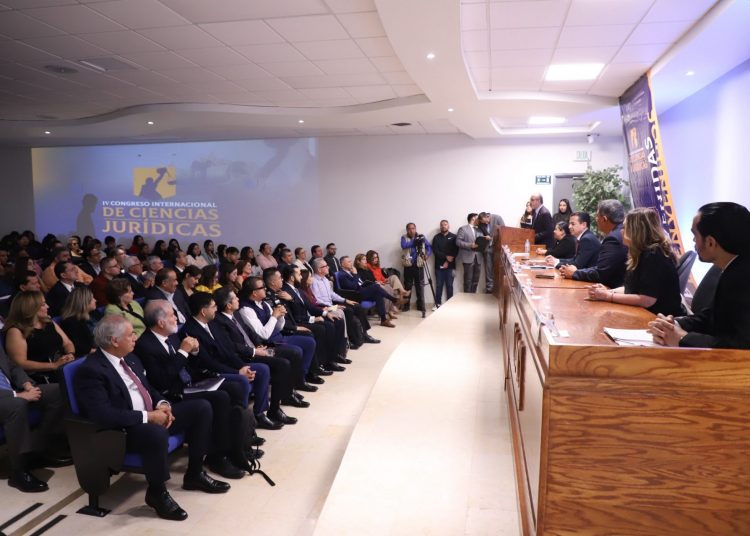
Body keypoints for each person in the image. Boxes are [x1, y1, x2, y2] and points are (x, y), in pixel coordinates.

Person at [75, 315, 229, 521]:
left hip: (149, 414)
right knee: (155, 433)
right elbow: (103, 414)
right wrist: (148, 417)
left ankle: (195, 473)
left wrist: (163, 404)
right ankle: (157, 492)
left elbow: (148, 388)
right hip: (123, 429)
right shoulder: (91, 370)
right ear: (114, 341)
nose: (135, 337)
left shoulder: (130, 357)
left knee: (202, 407)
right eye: (130, 335)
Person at [134, 300, 258, 480]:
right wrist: (183, 352)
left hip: (191, 382)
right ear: (160, 322)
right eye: (172, 315)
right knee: (220, 398)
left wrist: (194, 351)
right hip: (172, 393)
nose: (176, 319)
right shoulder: (145, 345)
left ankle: (239, 442)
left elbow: (192, 363)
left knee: (234, 388)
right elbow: (163, 380)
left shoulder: (172, 336)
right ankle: (217, 456)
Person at [648, 202, 750, 349]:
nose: (694, 241)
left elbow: (741, 344)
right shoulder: (733, 268)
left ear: (710, 242)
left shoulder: (743, 278)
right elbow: (712, 316)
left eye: (695, 235)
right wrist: (674, 324)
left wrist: (682, 338)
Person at [181, 292, 284, 430]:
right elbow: (207, 362)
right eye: (213, 307)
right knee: (241, 380)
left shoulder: (212, 323)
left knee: (263, 369)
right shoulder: (190, 330)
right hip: (209, 373)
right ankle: (245, 427)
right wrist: (237, 372)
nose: (216, 309)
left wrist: (242, 366)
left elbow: (228, 350)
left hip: (226, 365)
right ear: (203, 311)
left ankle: (259, 414)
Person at [588, 208, 683, 316]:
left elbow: (647, 300)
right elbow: (632, 289)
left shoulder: (654, 254)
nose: (621, 231)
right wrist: (608, 291)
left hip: (659, 318)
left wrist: (608, 296)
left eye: (624, 227)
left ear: (636, 231)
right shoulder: (642, 252)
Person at [0, 342, 68, 493]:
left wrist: (26, 383)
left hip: (11, 393)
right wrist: (17, 395)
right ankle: (19, 471)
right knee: (16, 405)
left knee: (57, 392)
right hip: (6, 398)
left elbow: (12, 366)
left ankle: (40, 451)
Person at [237, 274, 320, 388]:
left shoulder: (264, 304)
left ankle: (302, 376)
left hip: (279, 337)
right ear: (254, 293)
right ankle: (296, 383)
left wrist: (281, 316)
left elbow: (279, 327)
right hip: (268, 345)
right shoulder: (246, 309)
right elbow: (264, 334)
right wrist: (274, 316)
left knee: (309, 342)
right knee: (295, 351)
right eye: (262, 287)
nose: (265, 289)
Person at [4, 291, 76, 384]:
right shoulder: (15, 331)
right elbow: (20, 363)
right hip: (40, 378)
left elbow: (67, 343)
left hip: (62, 368)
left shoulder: (48, 322)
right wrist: (53, 365)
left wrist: (70, 354)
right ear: (31, 308)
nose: (47, 306)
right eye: (43, 304)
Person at [559, 200, 628, 288]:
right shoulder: (621, 232)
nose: (596, 219)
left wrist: (574, 273)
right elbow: (603, 267)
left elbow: (601, 273)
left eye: (597, 216)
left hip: (615, 289)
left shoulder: (613, 238)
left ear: (604, 219)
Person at [310, 258, 380, 346]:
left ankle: (365, 335)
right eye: (325, 266)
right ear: (319, 269)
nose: (328, 267)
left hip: (331, 304)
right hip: (324, 307)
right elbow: (316, 300)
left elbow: (332, 294)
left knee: (357, 306)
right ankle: (350, 339)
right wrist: (334, 307)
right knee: (348, 311)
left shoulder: (325, 279)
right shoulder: (314, 281)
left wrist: (345, 300)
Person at [338, 256, 398, 327]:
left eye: (351, 261)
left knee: (378, 294)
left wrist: (362, 281)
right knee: (376, 286)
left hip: (361, 290)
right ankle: (393, 299)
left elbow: (359, 282)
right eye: (348, 262)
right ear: (342, 264)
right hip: (355, 294)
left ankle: (383, 320)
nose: (351, 263)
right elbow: (352, 286)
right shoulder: (341, 274)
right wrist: (355, 274)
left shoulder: (350, 272)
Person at [400, 223, 431, 314]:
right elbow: (404, 246)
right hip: (408, 265)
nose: (411, 230)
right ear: (407, 230)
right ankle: (406, 305)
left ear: (415, 228)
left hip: (419, 265)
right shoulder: (404, 237)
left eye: (413, 228)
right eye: (409, 229)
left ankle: (420, 305)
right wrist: (415, 241)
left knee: (419, 286)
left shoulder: (421, 237)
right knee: (407, 286)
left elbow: (429, 247)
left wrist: (427, 255)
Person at [59, 286, 97, 357]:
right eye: (92, 298)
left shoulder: (92, 315)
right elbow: (81, 349)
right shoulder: (70, 323)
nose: (95, 300)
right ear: (84, 302)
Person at [432, 219, 458, 307]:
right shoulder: (436, 237)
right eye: (442, 225)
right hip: (438, 266)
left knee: (450, 285)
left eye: (445, 224)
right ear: (440, 227)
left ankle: (449, 304)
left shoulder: (454, 237)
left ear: (448, 226)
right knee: (439, 285)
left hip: (450, 266)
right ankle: (437, 304)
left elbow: (455, 251)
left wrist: (447, 261)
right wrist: (446, 257)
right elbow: (435, 251)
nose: (443, 226)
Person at [456, 213, 481, 293]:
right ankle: (467, 298)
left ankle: (473, 297)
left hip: (478, 258)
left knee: (476, 280)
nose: (479, 220)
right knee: (468, 280)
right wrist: (470, 245)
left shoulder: (479, 229)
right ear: (473, 219)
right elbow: (458, 242)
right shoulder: (463, 229)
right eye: (478, 218)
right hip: (467, 258)